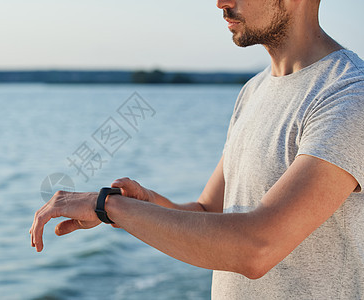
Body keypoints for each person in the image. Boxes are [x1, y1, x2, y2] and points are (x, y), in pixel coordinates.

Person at [30, 0, 364, 298]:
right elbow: (209, 213)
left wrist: (108, 206)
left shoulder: (349, 95)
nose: (221, 3)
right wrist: (144, 205)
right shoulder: (254, 91)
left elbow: (257, 247)